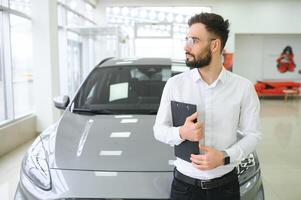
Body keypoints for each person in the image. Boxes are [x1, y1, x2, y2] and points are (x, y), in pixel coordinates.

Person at [153, 12, 261, 200]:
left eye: (194, 40)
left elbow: (253, 135)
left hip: (226, 188)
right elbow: (159, 130)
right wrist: (181, 133)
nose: (186, 46)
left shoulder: (243, 87)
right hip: (184, 188)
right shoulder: (175, 85)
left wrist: (224, 157)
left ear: (214, 45)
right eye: (187, 39)